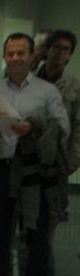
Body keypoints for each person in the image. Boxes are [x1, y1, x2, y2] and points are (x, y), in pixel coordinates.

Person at [0, 33, 69, 276]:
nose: (16, 59)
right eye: (11, 54)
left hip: (34, 171)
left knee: (35, 231)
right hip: (2, 166)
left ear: (32, 56)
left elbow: (62, 127)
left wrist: (34, 126)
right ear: (5, 57)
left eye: (21, 53)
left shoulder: (47, 91)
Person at [36, 30, 80, 238]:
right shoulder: (30, 78)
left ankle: (45, 248)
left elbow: (78, 124)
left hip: (58, 156)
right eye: (56, 47)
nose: (60, 53)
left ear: (70, 54)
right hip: (29, 152)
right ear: (47, 50)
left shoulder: (74, 86)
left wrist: (73, 158)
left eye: (66, 49)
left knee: (53, 206)